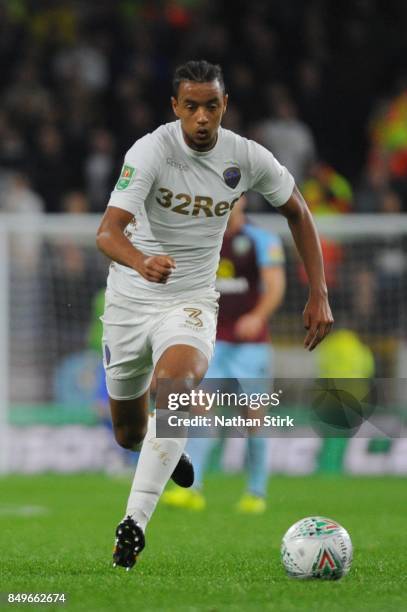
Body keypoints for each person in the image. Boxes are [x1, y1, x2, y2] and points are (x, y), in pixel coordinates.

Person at [96, 60, 333, 570]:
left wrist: (320, 291)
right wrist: (141, 260)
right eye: (191, 106)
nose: (202, 117)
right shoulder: (151, 150)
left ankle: (133, 524)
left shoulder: (246, 156)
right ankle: (171, 450)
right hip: (130, 300)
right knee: (130, 434)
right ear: (176, 108)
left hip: (191, 301)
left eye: (211, 105)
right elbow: (107, 232)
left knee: (176, 386)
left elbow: (298, 210)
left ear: (224, 106)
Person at [162, 195, 286, 513]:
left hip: (250, 348)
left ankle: (256, 492)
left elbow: (275, 286)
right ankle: (195, 487)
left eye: (232, 198)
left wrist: (257, 316)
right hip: (212, 345)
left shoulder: (261, 240)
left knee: (253, 420)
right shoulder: (203, 241)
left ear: (242, 200)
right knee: (200, 411)